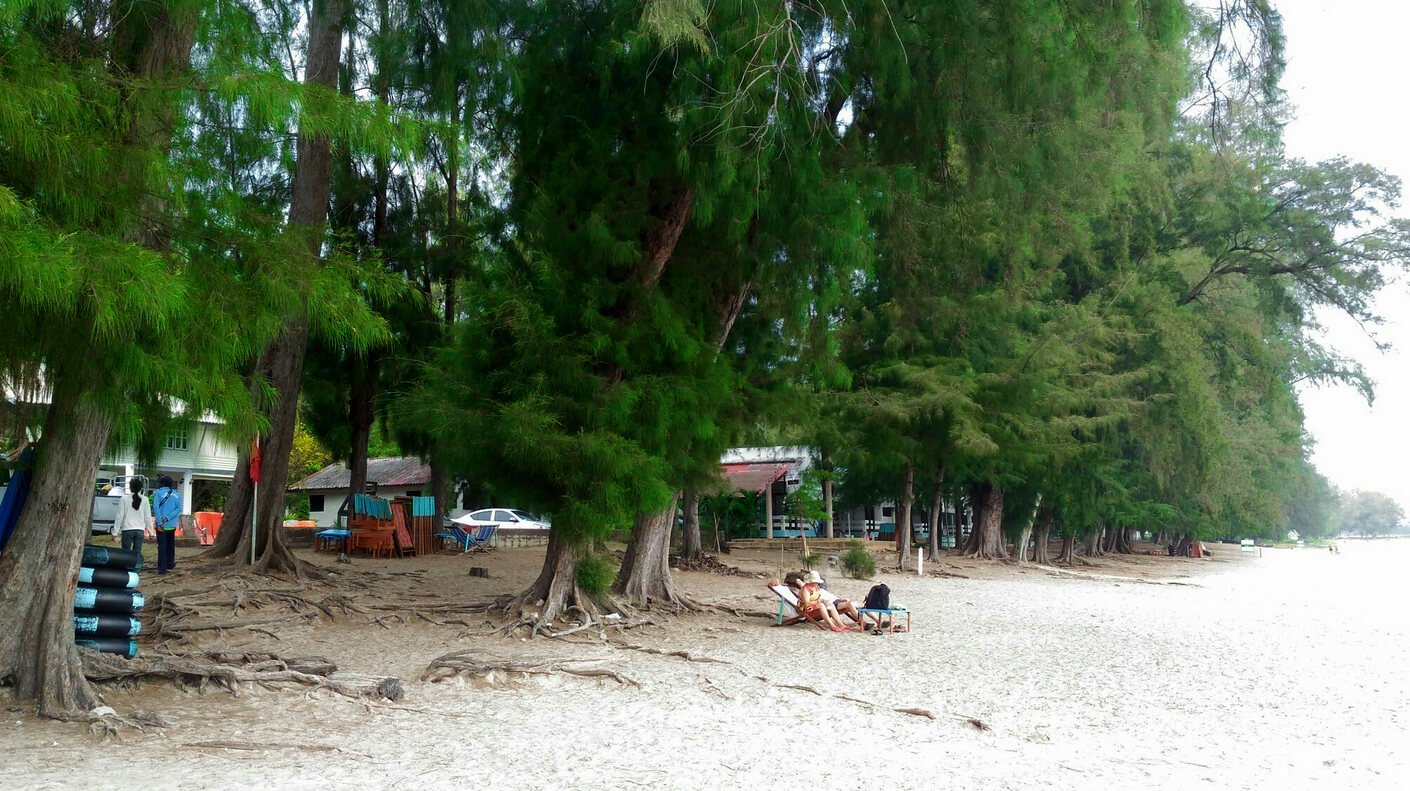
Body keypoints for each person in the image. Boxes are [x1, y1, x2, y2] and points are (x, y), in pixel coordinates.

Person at [113, 479, 152, 555]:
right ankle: (136, 566)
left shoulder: (124, 499)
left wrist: (115, 532)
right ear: (140, 488)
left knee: (125, 553)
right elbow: (147, 517)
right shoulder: (145, 499)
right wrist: (151, 532)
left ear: (130, 487)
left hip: (127, 529)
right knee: (137, 553)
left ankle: (126, 566)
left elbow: (119, 516)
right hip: (140, 530)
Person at [152, 475, 182, 574]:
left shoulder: (158, 493)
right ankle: (170, 563)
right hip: (172, 524)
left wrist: (160, 522)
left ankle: (162, 568)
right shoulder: (177, 494)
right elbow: (178, 509)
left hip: (161, 525)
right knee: (170, 545)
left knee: (162, 546)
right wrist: (168, 518)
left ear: (162, 484)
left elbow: (156, 508)